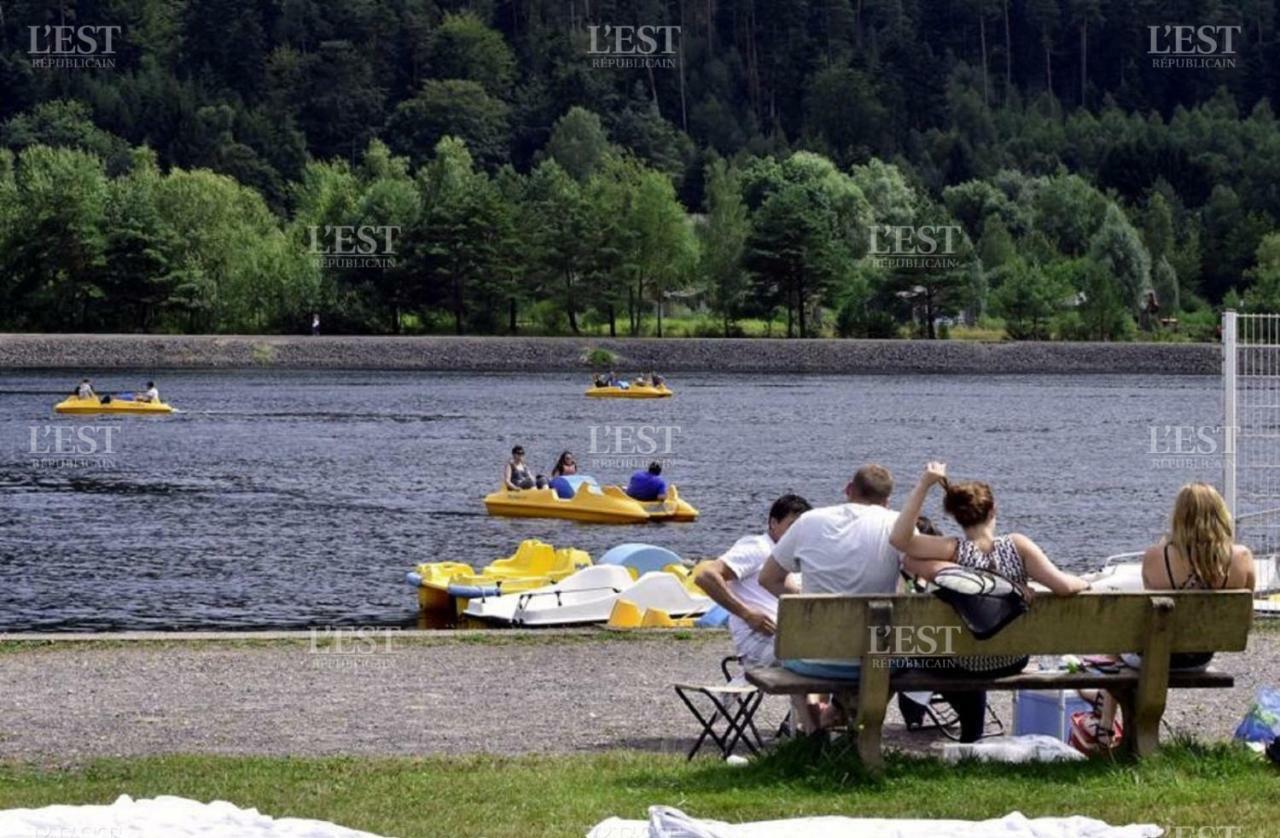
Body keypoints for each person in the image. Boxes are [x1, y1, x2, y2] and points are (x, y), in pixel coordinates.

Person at [889, 461, 1089, 741]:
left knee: (921, 654)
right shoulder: (1017, 545)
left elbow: (899, 539)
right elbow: (1065, 586)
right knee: (969, 654)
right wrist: (1087, 582)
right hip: (1011, 659)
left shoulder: (951, 550)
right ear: (993, 510)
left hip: (963, 662)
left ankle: (965, 735)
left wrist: (925, 484)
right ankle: (972, 737)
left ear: (957, 518)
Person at [1087, 483, 1257, 744]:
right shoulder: (1242, 557)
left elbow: (1152, 620)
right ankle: (1105, 713)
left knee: (1117, 647)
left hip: (1157, 655)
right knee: (1120, 649)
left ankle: (1105, 724)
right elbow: (1246, 620)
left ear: (1178, 517)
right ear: (1221, 515)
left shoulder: (1156, 557)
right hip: (1201, 657)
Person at [757, 464, 906, 730]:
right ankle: (858, 728)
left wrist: (809, 603)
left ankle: (814, 734)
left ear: (849, 489)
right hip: (876, 659)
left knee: (795, 652)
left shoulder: (809, 521)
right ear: (887, 500)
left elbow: (768, 578)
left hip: (812, 659)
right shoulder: (898, 524)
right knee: (895, 657)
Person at [694, 494, 813, 667]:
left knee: (836, 654)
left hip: (787, 635)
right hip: (758, 637)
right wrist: (747, 614)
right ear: (773, 523)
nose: (798, 534)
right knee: (812, 660)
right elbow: (705, 577)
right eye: (792, 526)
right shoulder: (757, 547)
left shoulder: (794, 556)